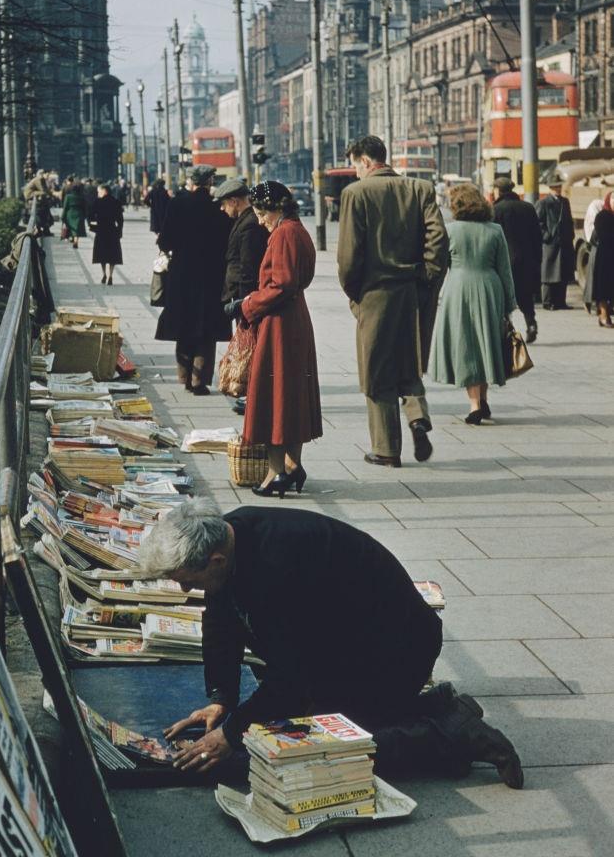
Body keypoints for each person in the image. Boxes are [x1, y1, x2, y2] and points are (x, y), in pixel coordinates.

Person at [140, 501, 524, 789]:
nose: (186, 590)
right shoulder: (229, 535)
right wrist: (221, 697)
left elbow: (291, 680)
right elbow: (222, 619)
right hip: (348, 647)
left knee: (313, 748)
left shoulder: (277, 568)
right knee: (284, 727)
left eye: (189, 580)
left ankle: (454, 734)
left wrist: (230, 733)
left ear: (216, 560)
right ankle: (434, 707)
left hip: (394, 654)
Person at [337, 135, 448, 469]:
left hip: (375, 293)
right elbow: (438, 240)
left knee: (376, 371)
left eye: (356, 164)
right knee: (409, 361)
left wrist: (354, 293)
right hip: (412, 290)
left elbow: (348, 256)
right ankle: (416, 415)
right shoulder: (421, 189)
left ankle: (386, 449)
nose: (355, 172)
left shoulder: (355, 194)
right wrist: (427, 278)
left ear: (366, 160)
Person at [226, 181, 322, 496]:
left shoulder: (283, 234)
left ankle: (275, 472)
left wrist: (246, 304)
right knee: (291, 396)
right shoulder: (297, 229)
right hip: (294, 321)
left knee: (274, 397)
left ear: (276, 208)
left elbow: (281, 285)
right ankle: (293, 466)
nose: (260, 220)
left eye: (261, 212)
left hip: (280, 324)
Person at [429, 184, 517, 425]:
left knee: (466, 346)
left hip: (458, 290)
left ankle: (475, 404)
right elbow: (505, 271)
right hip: (490, 288)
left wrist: (432, 297)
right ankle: (484, 399)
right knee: (486, 343)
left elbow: (438, 268)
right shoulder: (495, 230)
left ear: (457, 205)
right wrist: (509, 304)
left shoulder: (450, 231)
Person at [155, 166, 232, 394]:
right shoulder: (216, 207)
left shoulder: (178, 203)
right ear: (210, 181)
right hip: (211, 275)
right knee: (205, 329)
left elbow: (164, 241)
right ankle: (199, 382)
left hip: (182, 274)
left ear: (192, 181)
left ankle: (184, 375)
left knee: (184, 323)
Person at [214, 177, 269, 416]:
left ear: (235, 201)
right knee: (250, 348)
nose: (222, 209)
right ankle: (251, 394)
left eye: (224, 204)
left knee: (252, 349)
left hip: (244, 296)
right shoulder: (244, 221)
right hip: (241, 296)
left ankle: (253, 396)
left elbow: (248, 267)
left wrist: (245, 303)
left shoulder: (249, 225)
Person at [492, 176, 542, 344]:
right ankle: (531, 324)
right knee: (525, 294)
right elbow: (537, 236)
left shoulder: (495, 210)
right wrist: (538, 260)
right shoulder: (528, 208)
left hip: (504, 262)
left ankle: (507, 330)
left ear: (498, 190)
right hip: (527, 260)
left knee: (505, 296)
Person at [535, 170, 575, 310]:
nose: (558, 188)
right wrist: (547, 236)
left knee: (562, 274)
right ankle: (548, 302)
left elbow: (569, 221)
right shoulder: (543, 203)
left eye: (559, 186)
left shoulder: (565, 202)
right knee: (549, 274)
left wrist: (570, 237)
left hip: (563, 243)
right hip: (550, 244)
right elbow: (538, 223)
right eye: (555, 186)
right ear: (550, 188)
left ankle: (560, 302)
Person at [584, 191, 614, 328]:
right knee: (604, 288)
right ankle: (603, 316)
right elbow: (603, 237)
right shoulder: (602, 216)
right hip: (606, 259)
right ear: (609, 200)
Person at [88, 182, 123, 285]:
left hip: (101, 230)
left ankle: (104, 274)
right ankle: (111, 275)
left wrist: (93, 226)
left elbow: (90, 215)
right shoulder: (116, 202)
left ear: (104, 191)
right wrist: (119, 230)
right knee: (112, 254)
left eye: (99, 191)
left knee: (102, 254)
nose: (98, 193)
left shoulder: (97, 202)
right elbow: (120, 219)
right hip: (112, 230)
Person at [61, 180, 87, 248]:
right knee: (77, 229)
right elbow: (84, 207)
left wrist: (63, 216)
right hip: (79, 213)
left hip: (70, 213)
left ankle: (72, 238)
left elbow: (65, 207)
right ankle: (76, 240)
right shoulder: (82, 197)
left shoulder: (68, 197)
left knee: (71, 227)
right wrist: (84, 215)